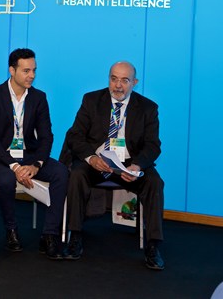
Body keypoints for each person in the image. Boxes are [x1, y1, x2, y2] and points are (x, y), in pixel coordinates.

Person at [59, 61, 165, 270]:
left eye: (124, 80)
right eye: (114, 79)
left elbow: (153, 145)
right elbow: (75, 136)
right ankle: (75, 237)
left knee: (154, 182)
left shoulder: (148, 108)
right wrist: (91, 158)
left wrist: (137, 166)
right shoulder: (91, 100)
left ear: (134, 82)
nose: (118, 85)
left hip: (129, 164)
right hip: (98, 161)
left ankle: (153, 246)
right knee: (77, 175)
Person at [0, 48, 68, 259]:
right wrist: (15, 167)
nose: (32, 75)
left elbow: (46, 136)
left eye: (34, 70)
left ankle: (50, 235)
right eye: (26, 71)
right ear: (12, 70)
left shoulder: (39, 97)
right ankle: (12, 230)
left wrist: (36, 165)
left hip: (29, 155)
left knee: (61, 172)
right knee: (7, 180)